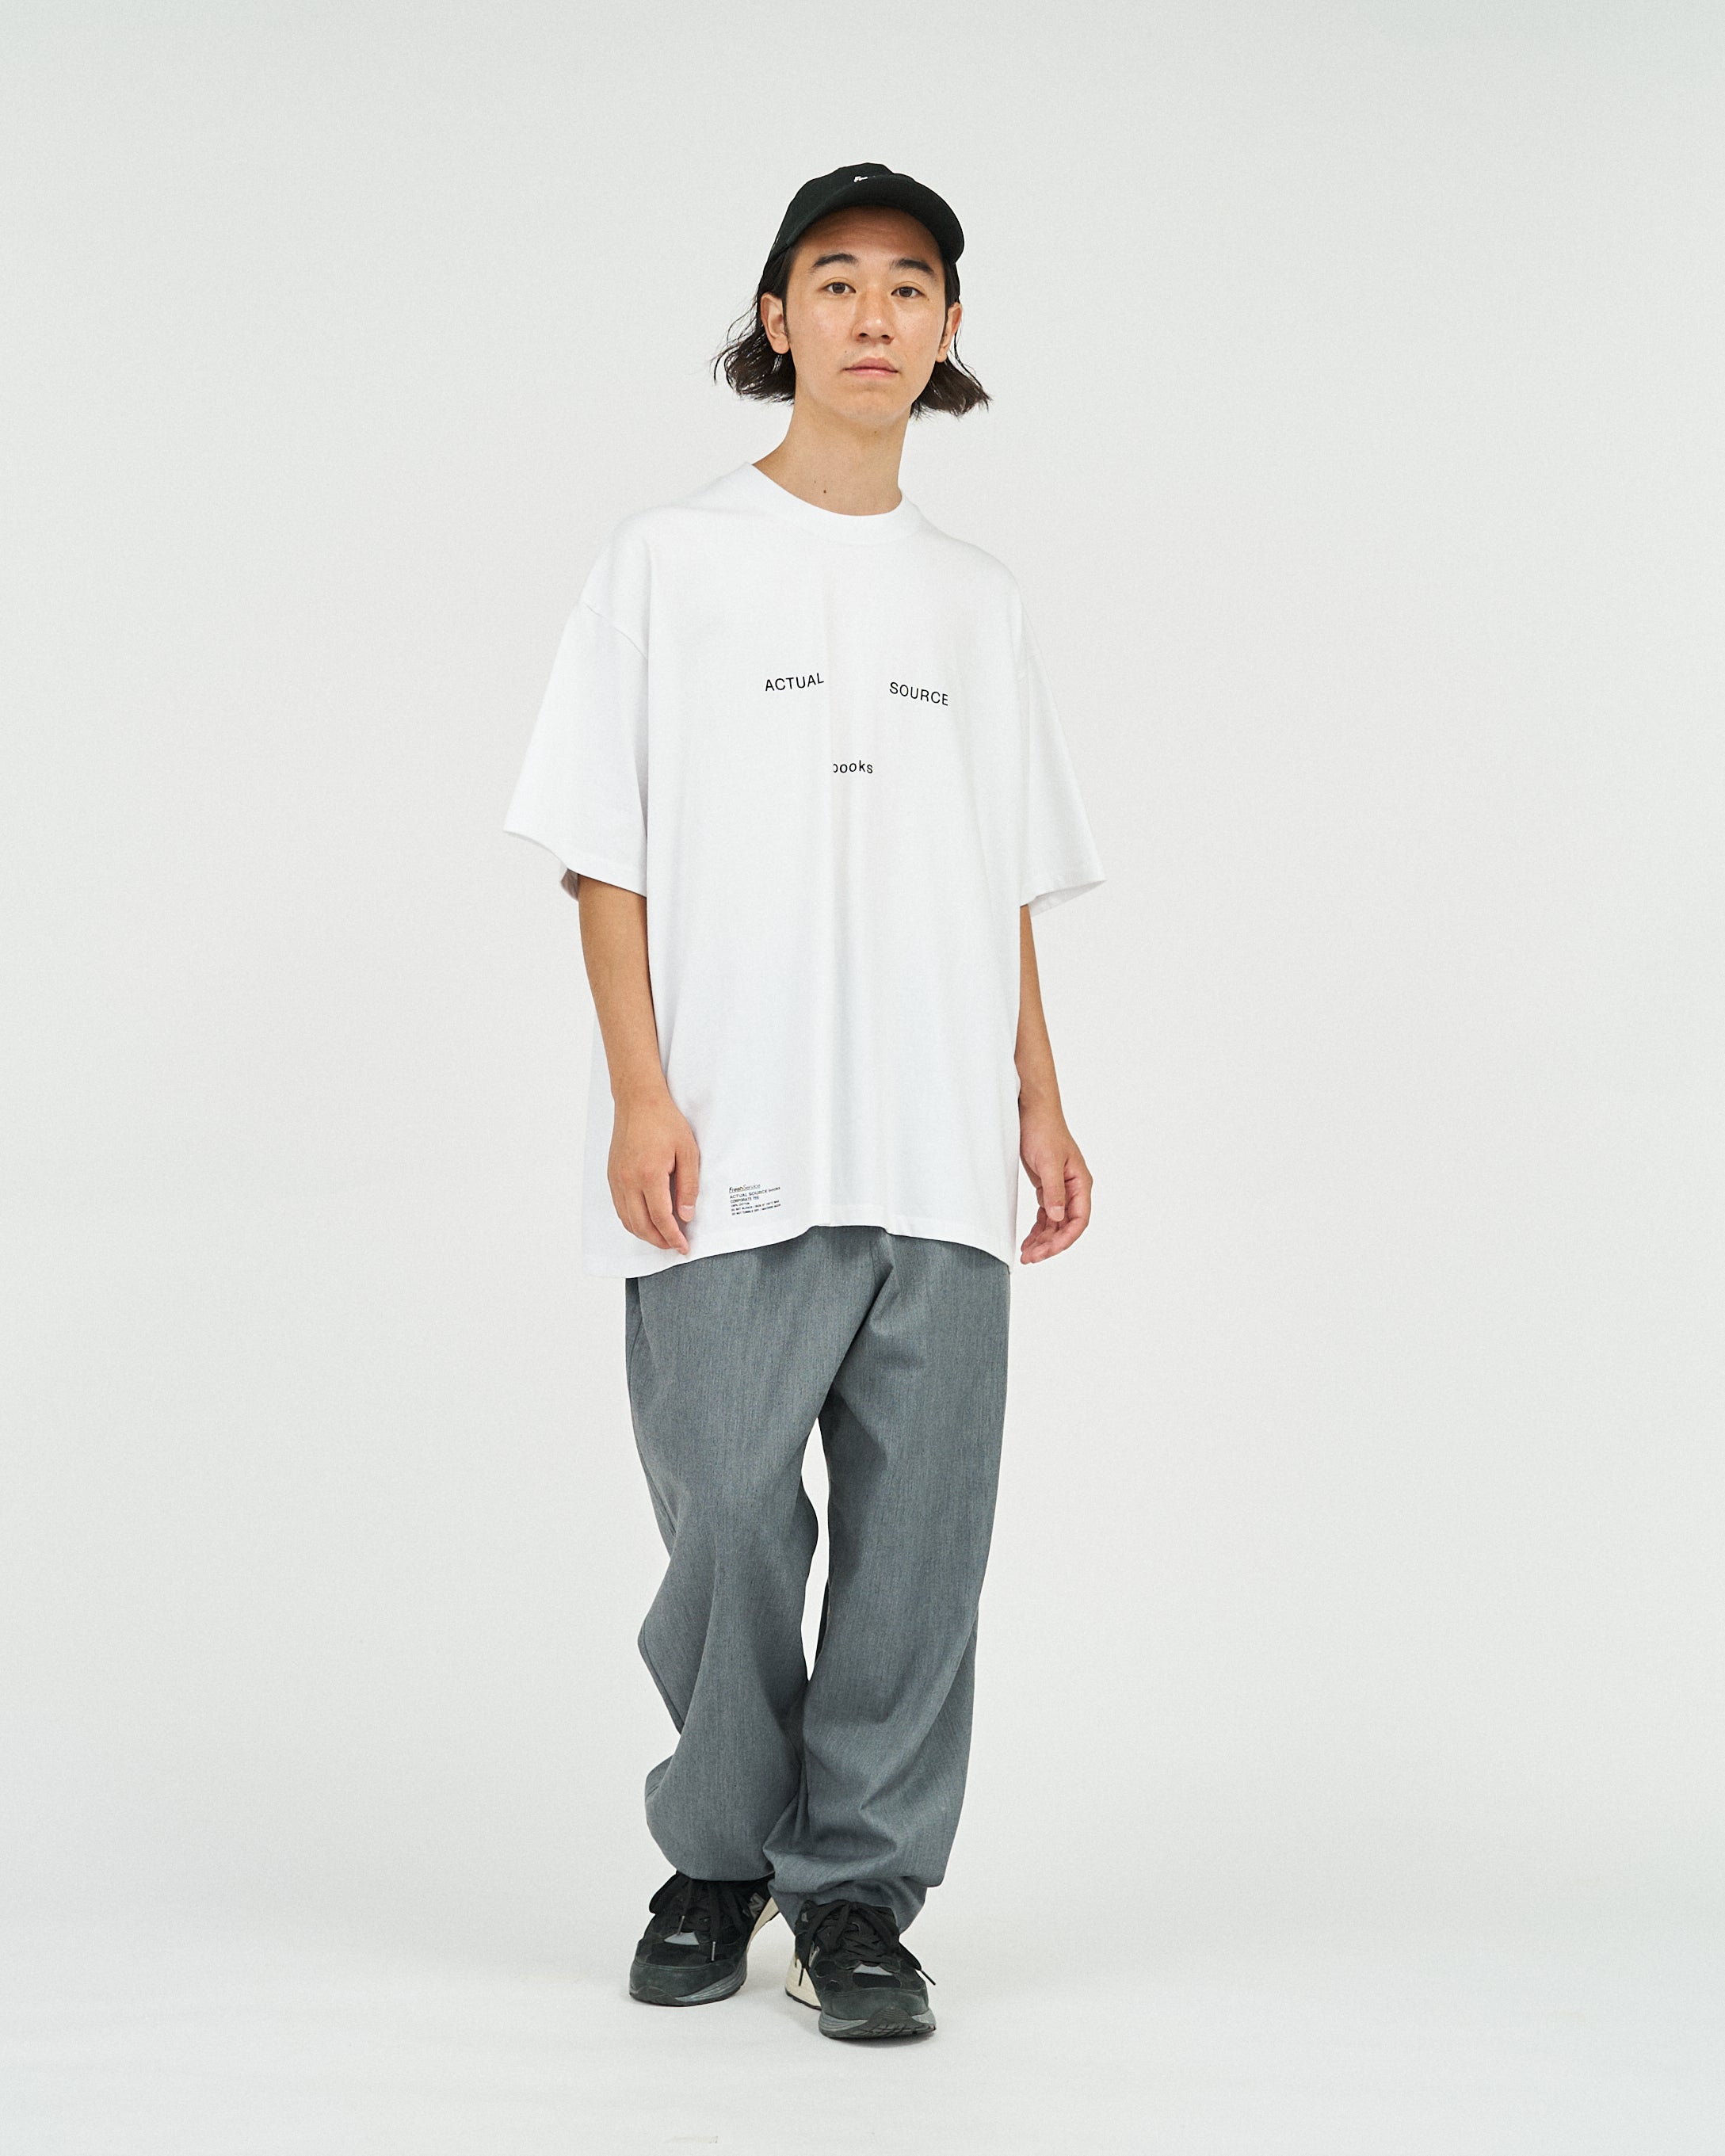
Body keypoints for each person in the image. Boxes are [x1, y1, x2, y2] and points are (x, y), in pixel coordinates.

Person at [505, 162, 1105, 2042]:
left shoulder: (978, 600)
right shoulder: (667, 562)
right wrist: (640, 1091)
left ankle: (859, 1893)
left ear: (948, 329)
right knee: (729, 1518)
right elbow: (604, 855)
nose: (871, 314)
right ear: (777, 318)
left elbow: (1001, 875)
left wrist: (1042, 1097)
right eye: (833, 281)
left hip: (936, 1142)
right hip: (729, 1134)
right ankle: (718, 1853)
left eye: (908, 285)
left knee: (924, 1544)